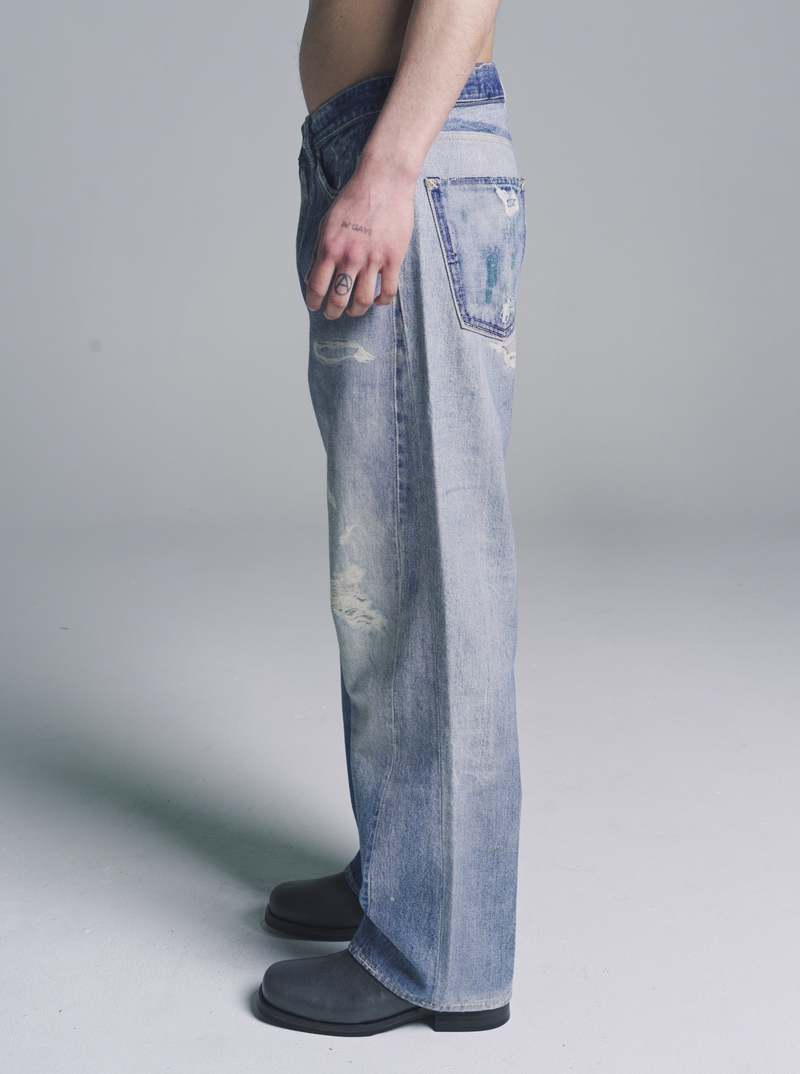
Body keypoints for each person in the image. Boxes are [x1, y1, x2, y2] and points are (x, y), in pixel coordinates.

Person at [255, 0, 526, 1036]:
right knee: (383, 579)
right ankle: (405, 872)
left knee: (434, 581)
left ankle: (439, 952)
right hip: (379, 151)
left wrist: (389, 166)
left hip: (408, 158)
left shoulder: (400, 163)